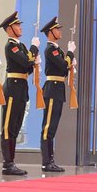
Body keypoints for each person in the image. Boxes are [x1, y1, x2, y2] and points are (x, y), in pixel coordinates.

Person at [0, 11, 36, 177]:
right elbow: (27, 62)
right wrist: (34, 49)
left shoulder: (20, 46)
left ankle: (12, 162)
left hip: (21, 88)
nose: (20, 28)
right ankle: (7, 163)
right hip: (12, 89)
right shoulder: (11, 46)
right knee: (8, 127)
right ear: (9, 29)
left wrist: (30, 58)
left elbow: (28, 67)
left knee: (15, 127)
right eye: (17, 25)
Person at [39, 16, 73, 173]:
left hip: (58, 89)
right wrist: (70, 55)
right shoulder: (50, 49)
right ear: (50, 32)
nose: (59, 31)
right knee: (48, 127)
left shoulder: (57, 50)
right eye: (57, 29)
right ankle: (46, 162)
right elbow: (63, 64)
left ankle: (50, 160)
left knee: (52, 127)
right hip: (52, 89)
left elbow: (64, 68)